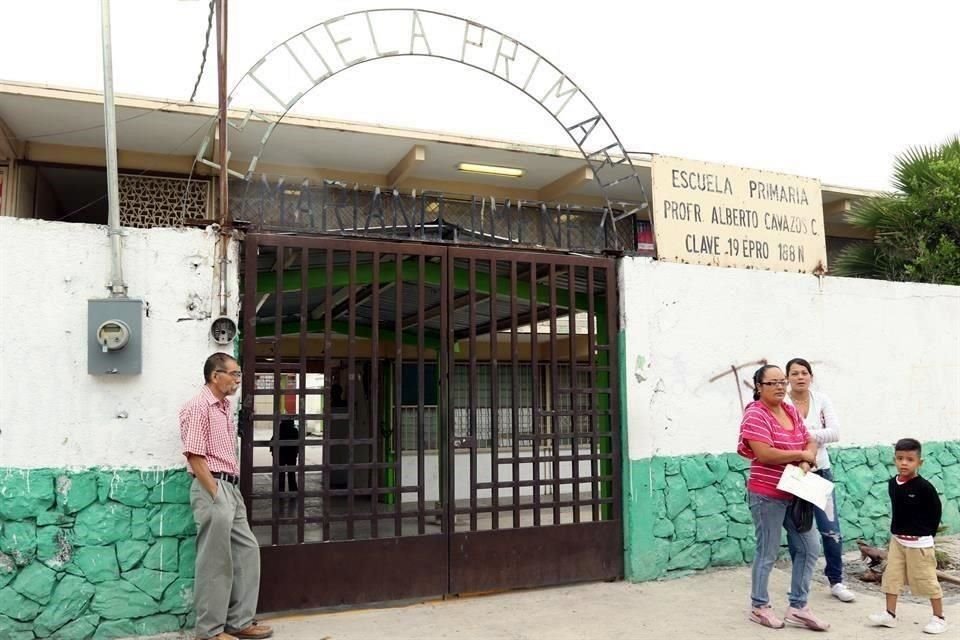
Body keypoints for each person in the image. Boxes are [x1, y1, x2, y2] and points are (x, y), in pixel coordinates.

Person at [180, 353, 274, 640]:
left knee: (247, 552)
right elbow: (195, 456)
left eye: (238, 374)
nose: (237, 380)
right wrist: (217, 493)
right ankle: (209, 631)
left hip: (229, 488)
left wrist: (228, 492)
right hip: (213, 487)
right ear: (214, 375)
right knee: (215, 561)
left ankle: (239, 622)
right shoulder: (199, 406)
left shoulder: (222, 407)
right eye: (233, 374)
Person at [738, 364, 829, 631]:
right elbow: (764, 454)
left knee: (810, 547)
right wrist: (800, 455)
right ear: (759, 387)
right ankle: (759, 606)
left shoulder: (789, 409)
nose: (780, 387)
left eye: (782, 382)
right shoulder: (755, 414)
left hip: (796, 491)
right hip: (767, 495)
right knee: (767, 552)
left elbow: (809, 440)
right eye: (773, 383)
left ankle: (798, 606)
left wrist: (806, 458)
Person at [783, 357, 856, 603]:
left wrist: (802, 434)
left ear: (811, 376)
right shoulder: (782, 403)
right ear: (788, 378)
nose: (800, 377)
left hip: (820, 472)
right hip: (795, 475)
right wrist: (811, 438)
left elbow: (834, 432)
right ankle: (799, 583)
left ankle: (836, 581)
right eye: (794, 373)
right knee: (799, 531)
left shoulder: (821, 400)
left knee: (831, 530)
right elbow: (782, 438)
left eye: (804, 372)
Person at [868, 438, 947, 635]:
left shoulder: (924, 488)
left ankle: (939, 618)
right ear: (894, 460)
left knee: (927, 580)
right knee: (891, 578)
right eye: (900, 458)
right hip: (898, 542)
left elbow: (935, 511)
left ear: (919, 463)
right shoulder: (892, 484)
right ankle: (890, 614)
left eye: (910, 459)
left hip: (919, 544)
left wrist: (925, 532)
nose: (904, 463)